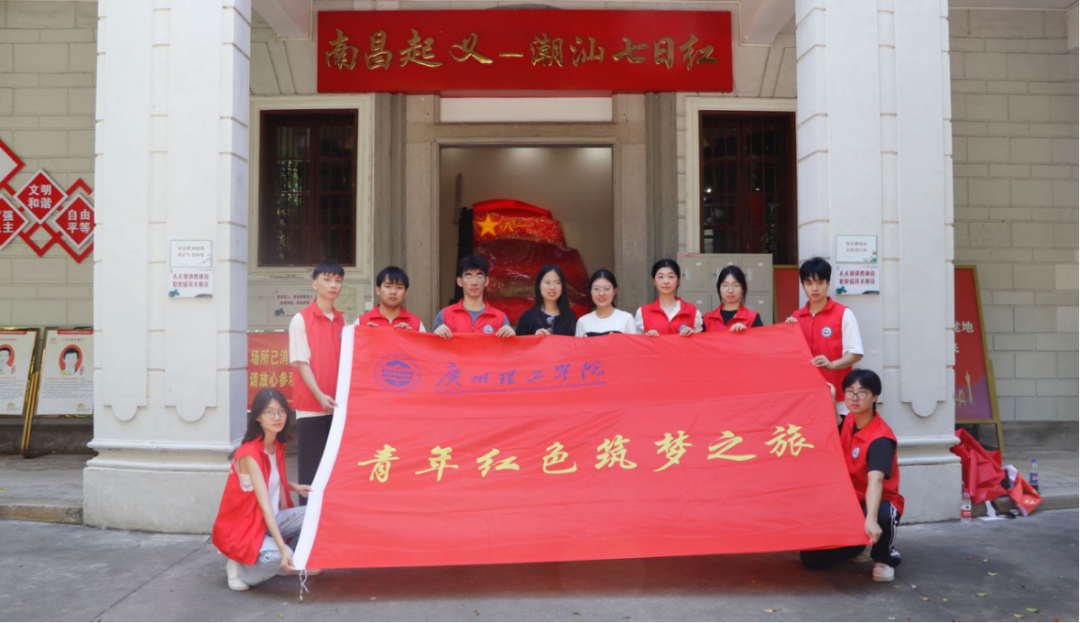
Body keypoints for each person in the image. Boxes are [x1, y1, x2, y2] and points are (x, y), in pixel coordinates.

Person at [800, 369, 904, 583]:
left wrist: (871, 520)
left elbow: (875, 481)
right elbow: (839, 426)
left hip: (877, 501)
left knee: (883, 514)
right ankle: (859, 545)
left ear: (875, 396)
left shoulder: (880, 439)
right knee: (811, 559)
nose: (854, 398)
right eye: (850, 391)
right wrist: (830, 399)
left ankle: (885, 557)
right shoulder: (850, 421)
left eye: (862, 392)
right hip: (848, 501)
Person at [212, 388, 317, 591]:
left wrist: (292, 486)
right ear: (257, 417)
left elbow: (269, 480)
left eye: (281, 411)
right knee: (277, 555)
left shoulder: (275, 445)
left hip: (269, 519)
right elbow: (265, 505)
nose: (277, 417)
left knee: (317, 514)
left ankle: (288, 562)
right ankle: (239, 565)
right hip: (248, 525)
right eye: (270, 412)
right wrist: (282, 548)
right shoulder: (250, 454)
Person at [288, 261, 345, 504]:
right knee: (311, 472)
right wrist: (320, 396)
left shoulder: (343, 322)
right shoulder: (300, 320)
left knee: (335, 471)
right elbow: (302, 363)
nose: (333, 285)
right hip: (311, 407)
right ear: (315, 283)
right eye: (327, 280)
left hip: (338, 407)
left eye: (338, 281)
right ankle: (305, 522)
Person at [785, 257, 864, 413]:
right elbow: (788, 357)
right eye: (809, 283)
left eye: (820, 283)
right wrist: (786, 332)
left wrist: (832, 365)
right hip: (805, 397)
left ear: (828, 283)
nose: (814, 288)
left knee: (840, 429)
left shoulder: (844, 313)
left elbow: (855, 353)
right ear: (803, 286)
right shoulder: (795, 317)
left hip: (839, 397)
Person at [433, 255, 515, 340]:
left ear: (486, 281)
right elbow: (432, 347)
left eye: (479, 277)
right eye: (468, 277)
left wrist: (512, 339)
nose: (474, 282)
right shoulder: (445, 315)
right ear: (460, 282)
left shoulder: (500, 318)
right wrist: (435, 337)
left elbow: (508, 348)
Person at [635, 258, 702, 337]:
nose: (666, 281)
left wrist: (693, 336)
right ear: (653, 281)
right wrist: (646, 338)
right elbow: (637, 342)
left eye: (671, 276)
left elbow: (700, 342)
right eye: (660, 277)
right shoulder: (642, 312)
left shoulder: (692, 311)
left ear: (678, 280)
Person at [355, 266, 426, 332]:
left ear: (405, 293)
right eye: (388, 286)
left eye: (399, 287)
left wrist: (410, 336)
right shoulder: (361, 322)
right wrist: (365, 335)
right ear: (378, 290)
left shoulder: (417, 324)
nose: (393, 292)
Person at [516, 264, 577, 336]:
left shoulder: (571, 317)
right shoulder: (527, 317)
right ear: (539, 286)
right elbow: (519, 342)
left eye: (557, 283)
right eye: (547, 283)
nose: (552, 287)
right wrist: (534, 339)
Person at [703, 265, 765, 333]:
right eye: (725, 285)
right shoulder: (707, 319)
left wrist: (748, 334)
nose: (730, 290)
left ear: (743, 289)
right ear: (719, 289)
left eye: (736, 285)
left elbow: (761, 339)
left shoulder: (753, 318)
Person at [576, 269, 638, 337]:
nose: (601, 293)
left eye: (607, 288)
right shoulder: (583, 322)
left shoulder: (626, 319)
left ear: (615, 291)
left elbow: (633, 343)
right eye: (596, 289)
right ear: (590, 291)